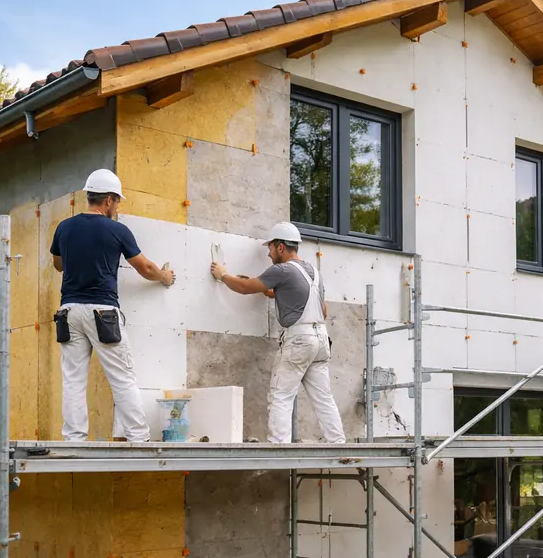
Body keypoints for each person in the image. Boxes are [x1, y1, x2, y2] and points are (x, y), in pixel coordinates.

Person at [50, 168, 176, 442]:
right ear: (108, 200)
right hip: (102, 312)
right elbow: (144, 267)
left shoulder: (64, 227)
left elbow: (58, 264)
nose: (117, 206)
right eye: (117, 201)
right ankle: (138, 437)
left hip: (68, 312)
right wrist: (164, 276)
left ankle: (74, 438)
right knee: (122, 377)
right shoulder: (117, 230)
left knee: (73, 379)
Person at [209, 222, 346, 444]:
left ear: (280, 247)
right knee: (323, 397)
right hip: (321, 340)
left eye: (270, 248)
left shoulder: (281, 270)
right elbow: (323, 309)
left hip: (299, 340)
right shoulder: (314, 272)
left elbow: (245, 288)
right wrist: (274, 293)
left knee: (281, 395)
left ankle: (279, 446)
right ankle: (338, 444)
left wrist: (223, 275)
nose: (269, 253)